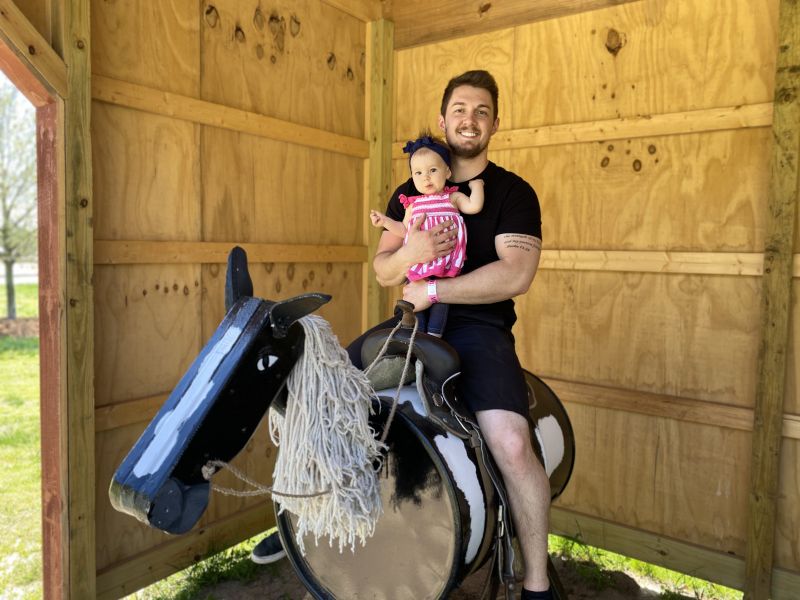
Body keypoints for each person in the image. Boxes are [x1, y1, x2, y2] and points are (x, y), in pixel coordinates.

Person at [252, 69, 551, 600]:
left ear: (495, 124)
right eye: (460, 110)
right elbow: (384, 270)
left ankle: (536, 584)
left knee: (511, 442)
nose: (470, 120)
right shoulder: (411, 188)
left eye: (481, 112)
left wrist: (437, 289)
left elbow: (516, 274)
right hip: (410, 319)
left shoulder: (511, 191)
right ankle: (302, 513)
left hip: (480, 327)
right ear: (443, 119)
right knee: (323, 399)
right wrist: (412, 254)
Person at [369, 132, 484, 336]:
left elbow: (473, 206)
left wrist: (477, 187)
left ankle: (434, 336)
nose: (426, 177)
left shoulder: (452, 197)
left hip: (444, 263)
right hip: (418, 264)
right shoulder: (412, 205)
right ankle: (417, 336)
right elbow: (403, 229)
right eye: (418, 173)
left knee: (441, 300)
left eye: (432, 170)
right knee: (415, 304)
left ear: (447, 171)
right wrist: (384, 221)